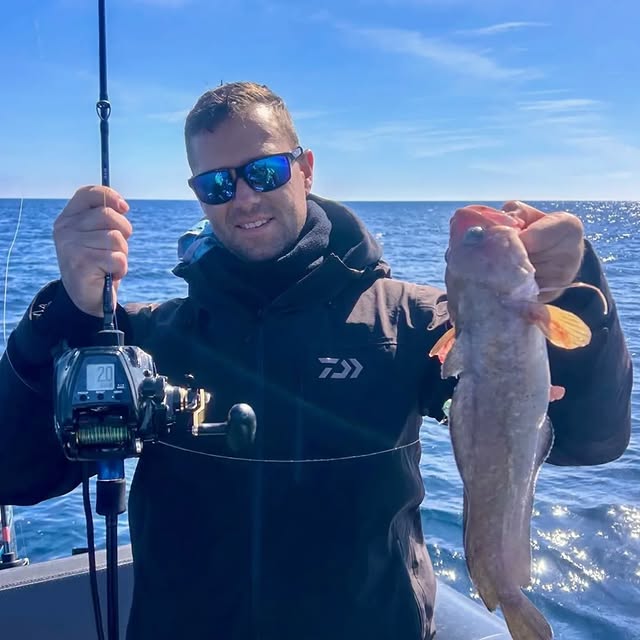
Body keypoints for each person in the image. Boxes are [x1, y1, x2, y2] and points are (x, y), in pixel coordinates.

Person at [0, 82, 632, 640]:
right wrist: (65, 311)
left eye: (264, 171)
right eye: (216, 184)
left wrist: (573, 288)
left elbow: (589, 438)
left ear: (304, 168)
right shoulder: (145, 337)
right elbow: (17, 475)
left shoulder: (415, 322)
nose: (243, 197)